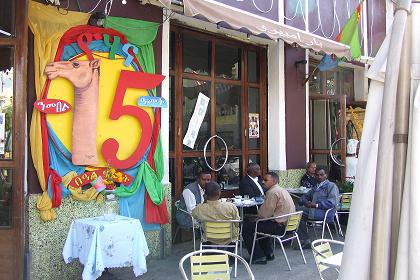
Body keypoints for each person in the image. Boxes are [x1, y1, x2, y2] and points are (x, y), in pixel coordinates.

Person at [242, 172, 296, 264]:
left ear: (274, 181)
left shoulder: (272, 192)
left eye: (266, 180)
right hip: (290, 226)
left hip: (280, 227)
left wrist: (254, 218)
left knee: (246, 227)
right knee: (259, 225)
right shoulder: (282, 190)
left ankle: (258, 256)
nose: (263, 182)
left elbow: (264, 214)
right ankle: (268, 253)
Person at [297, 167, 340, 249]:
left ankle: (304, 239)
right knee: (298, 214)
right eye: (317, 175)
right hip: (314, 211)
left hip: (324, 213)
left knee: (297, 212)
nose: (319, 177)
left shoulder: (331, 186)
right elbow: (305, 197)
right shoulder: (316, 187)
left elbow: (332, 202)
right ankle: (305, 239)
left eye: (321, 175)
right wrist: (305, 202)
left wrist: (316, 205)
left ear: (326, 175)